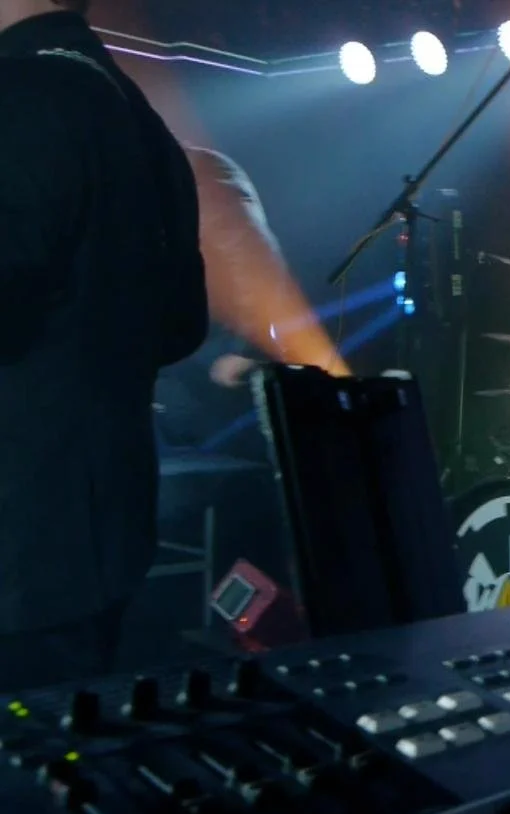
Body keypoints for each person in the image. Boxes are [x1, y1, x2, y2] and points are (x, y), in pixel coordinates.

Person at [0, 0, 208, 688]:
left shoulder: (19, 97)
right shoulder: (137, 114)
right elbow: (182, 326)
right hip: (102, 539)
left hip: (19, 548)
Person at [155, 145, 344, 457]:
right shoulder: (145, 179)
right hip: (181, 355)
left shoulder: (198, 171)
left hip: (214, 354)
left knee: (243, 459)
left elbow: (252, 259)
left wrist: (244, 347)